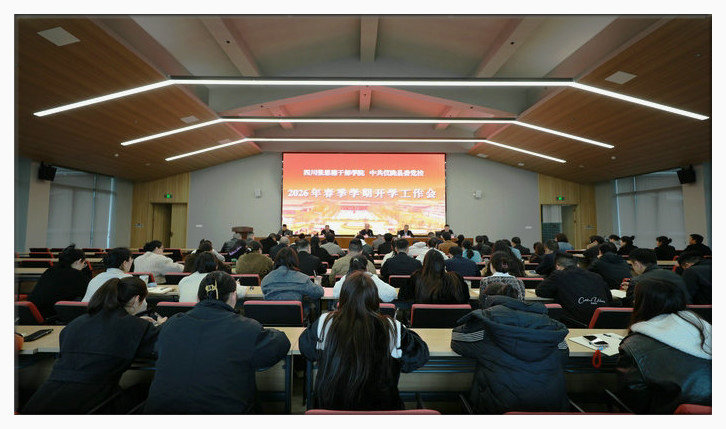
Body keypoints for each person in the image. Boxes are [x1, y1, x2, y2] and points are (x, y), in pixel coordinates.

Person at [144, 271, 291, 414]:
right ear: (233, 296)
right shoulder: (246, 327)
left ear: (198, 298)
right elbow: (279, 345)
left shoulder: (171, 324)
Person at [23, 277, 163, 414]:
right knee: (145, 390)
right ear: (136, 299)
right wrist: (162, 326)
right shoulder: (136, 327)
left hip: (43, 400)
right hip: (93, 402)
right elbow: (159, 347)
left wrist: (137, 323)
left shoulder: (74, 324)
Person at [299, 271, 429, 410]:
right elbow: (419, 357)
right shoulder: (392, 327)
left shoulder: (325, 322)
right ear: (375, 299)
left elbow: (307, 350)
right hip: (381, 409)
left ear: (343, 298)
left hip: (331, 407)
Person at [451, 282, 569, 414]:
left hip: (497, 410)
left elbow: (458, 338)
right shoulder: (549, 324)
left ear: (487, 300)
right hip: (552, 411)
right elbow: (564, 354)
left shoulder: (486, 323)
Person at [615, 278, 711, 414]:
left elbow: (633, 401)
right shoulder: (704, 328)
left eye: (636, 300)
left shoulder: (634, 346)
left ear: (643, 305)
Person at [535, 253, 612, 326]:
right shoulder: (597, 276)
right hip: (601, 323)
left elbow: (540, 291)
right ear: (577, 265)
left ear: (557, 267)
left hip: (573, 323)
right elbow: (609, 298)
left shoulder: (559, 275)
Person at [28, 244, 91, 319]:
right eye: (84, 264)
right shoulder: (77, 275)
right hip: (51, 316)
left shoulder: (49, 271)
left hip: (32, 314)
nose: (83, 267)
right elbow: (89, 294)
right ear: (79, 261)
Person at [261, 248, 324, 315]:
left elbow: (264, 291)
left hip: (272, 317)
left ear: (276, 260)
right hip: (296, 317)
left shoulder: (266, 279)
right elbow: (319, 293)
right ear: (295, 260)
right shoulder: (302, 278)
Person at [622, 249, 689, 307]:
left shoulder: (637, 281)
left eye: (632, 264)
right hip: (680, 314)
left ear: (636, 264)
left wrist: (633, 289)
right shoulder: (676, 276)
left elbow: (630, 305)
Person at [400, 250, 469, 304]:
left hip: (422, 317)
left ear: (425, 263)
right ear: (443, 262)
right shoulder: (455, 279)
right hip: (452, 317)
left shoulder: (416, 277)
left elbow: (402, 297)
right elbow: (465, 298)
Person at [179, 252, 247, 302]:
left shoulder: (183, 281)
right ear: (216, 266)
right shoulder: (221, 279)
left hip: (187, 316)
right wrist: (236, 284)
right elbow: (243, 292)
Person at [333, 255, 397, 302]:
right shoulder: (372, 278)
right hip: (368, 314)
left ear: (350, 267)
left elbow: (335, 294)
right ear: (366, 267)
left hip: (349, 315)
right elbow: (392, 294)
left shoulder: (345, 278)